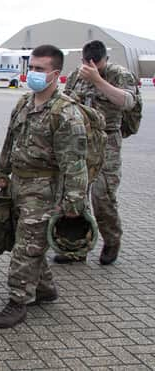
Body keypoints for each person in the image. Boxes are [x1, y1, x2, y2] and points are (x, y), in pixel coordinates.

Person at [0, 45, 88, 328]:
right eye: (30, 67)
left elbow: (75, 163)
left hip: (45, 188)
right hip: (19, 184)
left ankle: (18, 300)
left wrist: (73, 203)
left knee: (25, 246)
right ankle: (44, 288)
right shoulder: (23, 103)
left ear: (55, 74)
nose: (32, 73)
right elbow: (10, 141)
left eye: (39, 69)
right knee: (26, 241)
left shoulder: (66, 113)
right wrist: (1, 172)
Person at [58, 40, 138, 265]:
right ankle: (76, 245)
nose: (91, 66)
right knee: (75, 194)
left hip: (107, 141)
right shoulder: (76, 75)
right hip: (79, 141)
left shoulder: (119, 74)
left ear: (105, 59)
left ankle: (112, 240)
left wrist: (98, 80)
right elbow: (66, 100)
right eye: (87, 62)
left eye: (97, 63)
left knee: (102, 195)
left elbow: (127, 102)